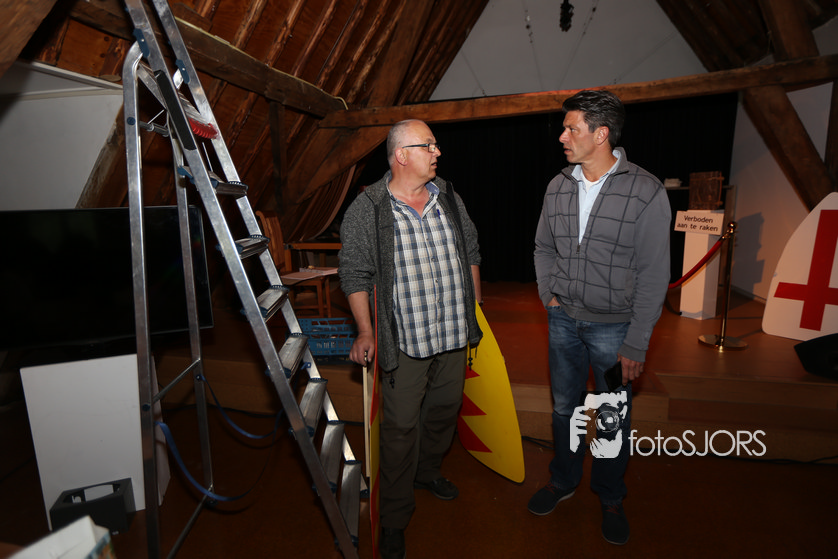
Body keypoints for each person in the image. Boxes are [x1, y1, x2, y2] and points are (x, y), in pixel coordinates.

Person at [529, 90, 671, 545]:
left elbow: (654, 274)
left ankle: (609, 495)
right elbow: (543, 247)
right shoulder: (557, 186)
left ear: (601, 133)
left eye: (572, 128)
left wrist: (637, 342)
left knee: (610, 414)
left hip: (615, 328)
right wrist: (549, 295)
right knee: (563, 409)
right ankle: (563, 480)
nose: (562, 136)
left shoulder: (645, 190)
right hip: (563, 321)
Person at [339, 119, 483, 559]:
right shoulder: (368, 208)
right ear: (402, 155)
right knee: (400, 430)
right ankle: (395, 517)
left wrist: (476, 310)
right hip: (406, 342)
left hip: (454, 333)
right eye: (428, 145)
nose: (437, 152)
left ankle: (428, 470)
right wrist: (366, 331)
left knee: (443, 412)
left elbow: (471, 252)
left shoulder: (448, 197)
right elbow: (354, 273)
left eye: (435, 145)